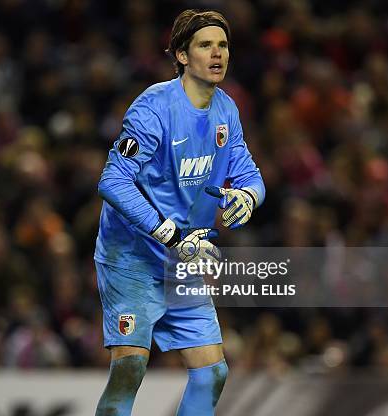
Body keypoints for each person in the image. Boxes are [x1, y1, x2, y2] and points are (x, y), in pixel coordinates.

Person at [93, 9, 265, 416]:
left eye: (222, 45)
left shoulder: (226, 110)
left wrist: (247, 198)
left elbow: (250, 174)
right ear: (182, 55)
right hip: (132, 257)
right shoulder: (153, 109)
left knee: (212, 373)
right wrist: (171, 235)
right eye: (205, 45)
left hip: (183, 261)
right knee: (130, 367)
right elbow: (112, 182)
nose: (217, 53)